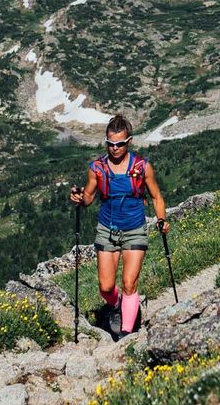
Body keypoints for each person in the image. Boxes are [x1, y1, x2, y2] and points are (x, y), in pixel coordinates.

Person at [69, 114, 167, 337]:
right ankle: (116, 306)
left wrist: (161, 220)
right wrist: (79, 198)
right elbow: (89, 197)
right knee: (105, 287)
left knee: (129, 283)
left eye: (120, 144)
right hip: (107, 229)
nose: (114, 148)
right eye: (110, 143)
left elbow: (157, 197)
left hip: (135, 229)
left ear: (129, 141)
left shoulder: (142, 167)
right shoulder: (97, 168)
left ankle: (125, 334)